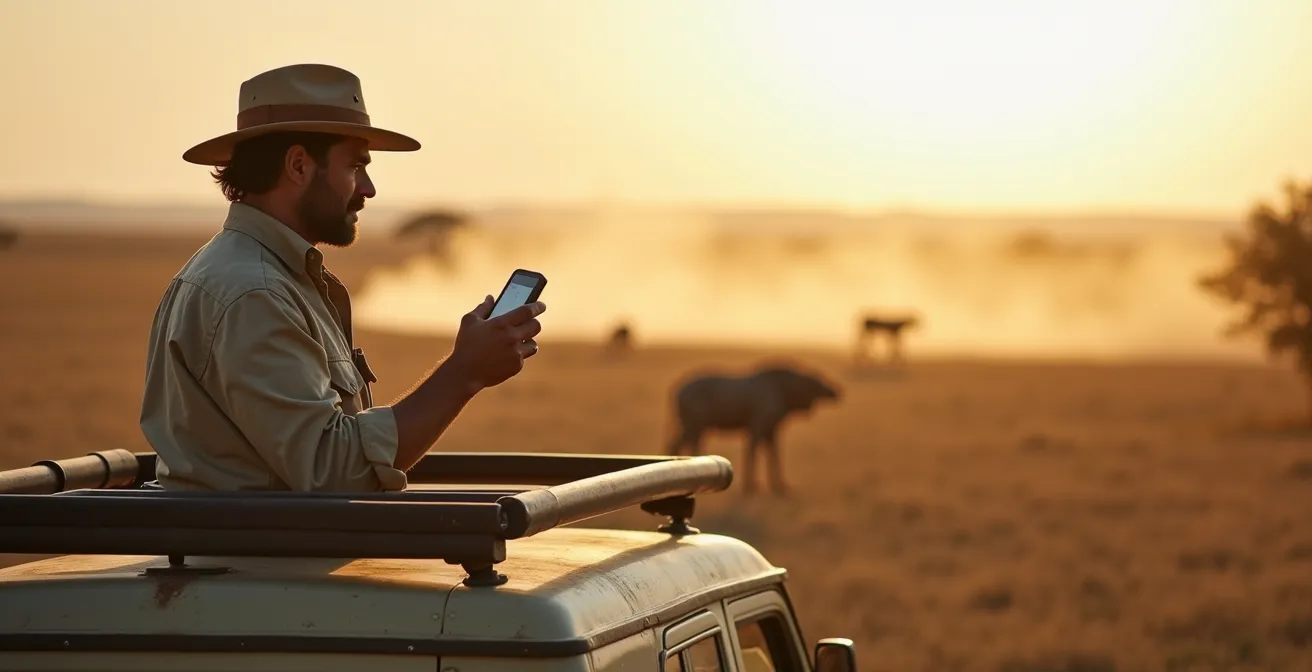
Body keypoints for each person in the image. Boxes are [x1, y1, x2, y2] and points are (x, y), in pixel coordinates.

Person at [139, 63, 545, 492]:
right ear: (298, 165)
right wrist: (463, 373)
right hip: (265, 559)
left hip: (266, 553)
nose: (367, 188)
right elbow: (332, 471)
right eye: (355, 166)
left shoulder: (260, 275)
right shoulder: (254, 293)